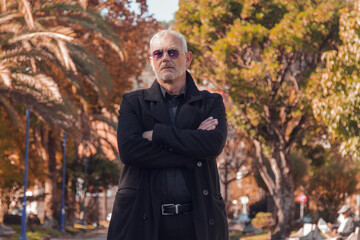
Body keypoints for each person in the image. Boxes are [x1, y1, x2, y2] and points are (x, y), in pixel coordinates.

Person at [107, 30, 228, 240]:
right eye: (158, 54)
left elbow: (213, 145)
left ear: (187, 58)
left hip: (196, 224)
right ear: (151, 61)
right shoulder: (133, 103)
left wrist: (158, 135)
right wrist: (193, 146)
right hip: (143, 222)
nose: (165, 59)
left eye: (172, 53)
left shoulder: (211, 103)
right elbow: (130, 151)